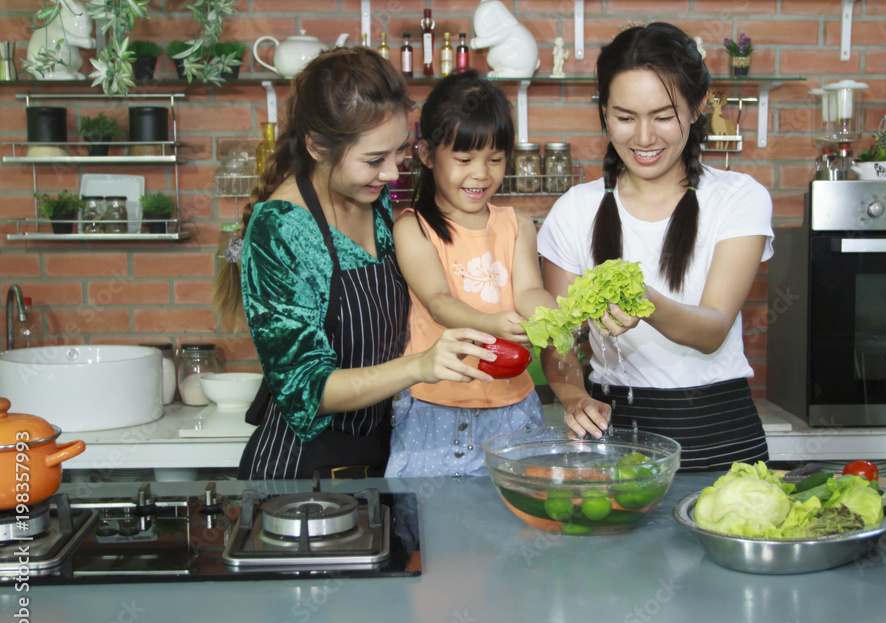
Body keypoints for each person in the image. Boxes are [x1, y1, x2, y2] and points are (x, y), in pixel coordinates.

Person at [213, 49, 498, 481]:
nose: (391, 173)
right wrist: (420, 366)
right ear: (317, 146)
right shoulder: (281, 230)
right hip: (303, 475)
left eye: (398, 152)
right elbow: (307, 387)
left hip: (381, 456)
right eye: (373, 160)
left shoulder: (373, 196)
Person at [537, 23, 774, 472]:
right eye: (624, 118)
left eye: (663, 116)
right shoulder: (574, 210)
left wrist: (644, 300)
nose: (643, 138)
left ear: (698, 107)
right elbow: (558, 337)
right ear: (603, 111)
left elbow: (711, 331)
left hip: (719, 434)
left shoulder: (739, 198)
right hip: (614, 433)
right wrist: (573, 396)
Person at [386, 71, 556, 477]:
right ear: (427, 155)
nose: (481, 174)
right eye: (464, 160)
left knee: (512, 529)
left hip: (514, 406)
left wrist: (554, 316)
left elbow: (530, 290)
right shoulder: (413, 228)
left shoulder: (517, 224)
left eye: (495, 159)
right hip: (436, 407)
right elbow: (439, 301)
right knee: (431, 532)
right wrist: (491, 324)